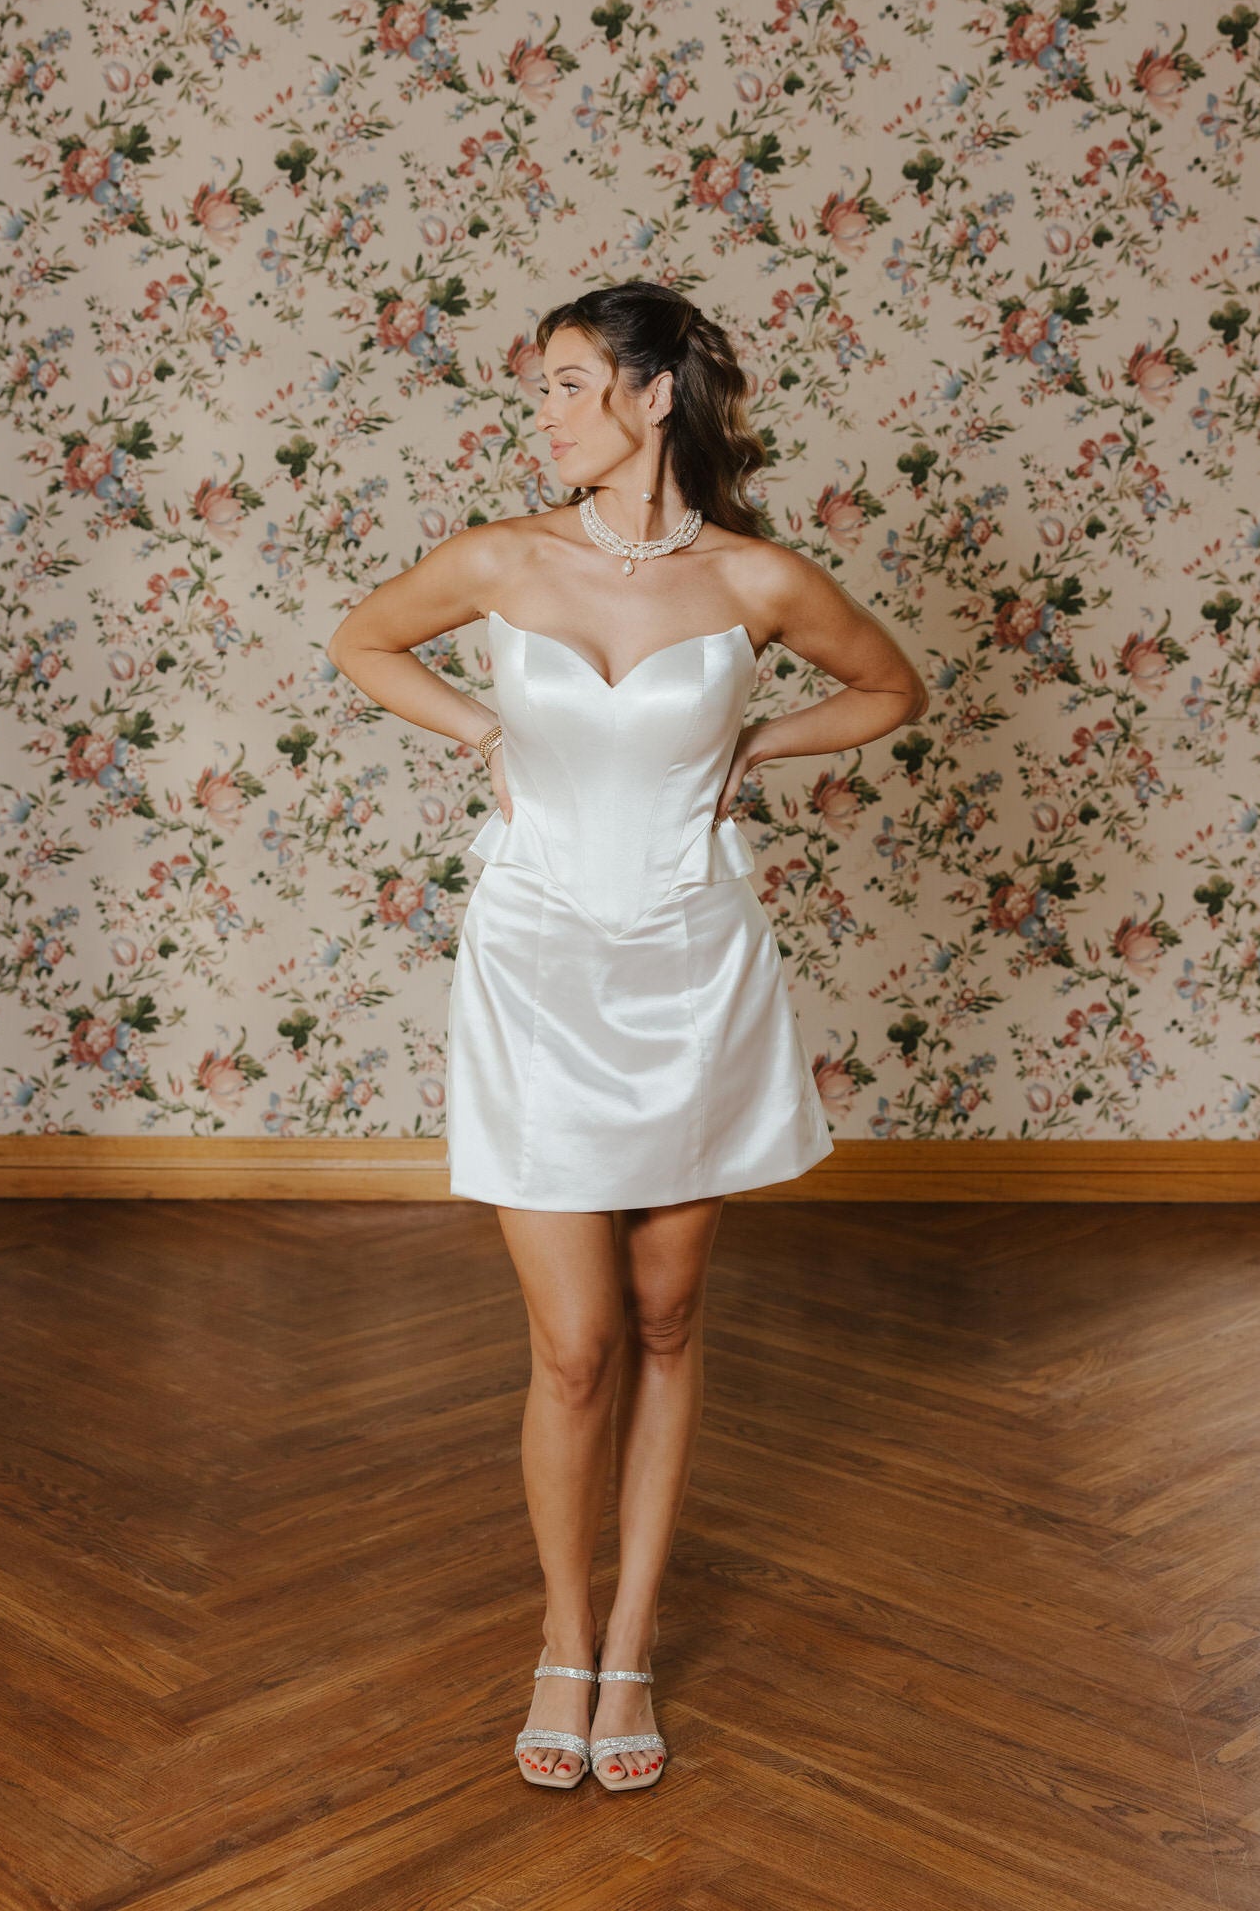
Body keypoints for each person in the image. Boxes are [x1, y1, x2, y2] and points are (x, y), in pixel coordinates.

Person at [327, 280, 927, 1794]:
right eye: (540, 385)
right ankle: (557, 1632)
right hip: (533, 966)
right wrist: (483, 740)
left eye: (569, 381)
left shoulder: (752, 580)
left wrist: (751, 749)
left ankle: (633, 1645)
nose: (541, 409)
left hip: (692, 967)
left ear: (654, 396)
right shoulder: (497, 558)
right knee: (575, 1346)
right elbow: (364, 642)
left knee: (665, 1325)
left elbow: (887, 688)